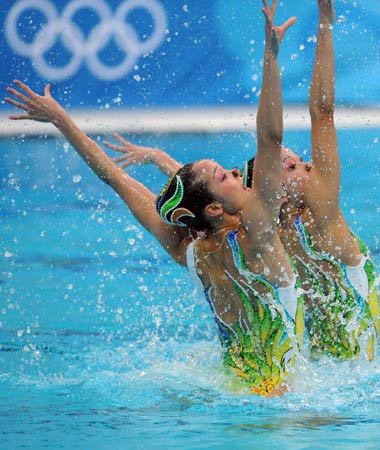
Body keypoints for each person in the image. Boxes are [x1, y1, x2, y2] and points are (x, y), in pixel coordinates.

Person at [5, 1, 303, 396]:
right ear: (214, 208)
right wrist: (270, 57)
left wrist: (62, 120)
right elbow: (270, 139)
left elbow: (114, 178)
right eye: (226, 175)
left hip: (233, 388)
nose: (237, 173)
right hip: (283, 400)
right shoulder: (259, 237)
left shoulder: (190, 250)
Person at [105, 0, 380, 360]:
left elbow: (322, 112)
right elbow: (206, 195)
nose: (309, 166)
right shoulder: (260, 230)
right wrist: (166, 165)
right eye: (293, 167)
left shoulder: (317, 213)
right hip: (334, 365)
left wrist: (326, 22)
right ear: (272, 189)